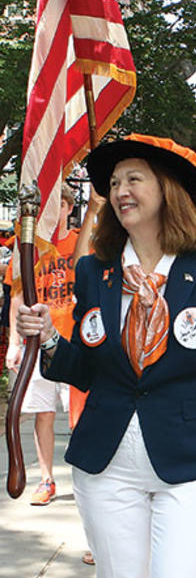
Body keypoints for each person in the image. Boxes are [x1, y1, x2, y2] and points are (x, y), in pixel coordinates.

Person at [15, 133, 196, 578]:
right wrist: (49, 339)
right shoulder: (94, 270)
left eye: (134, 178)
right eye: (115, 182)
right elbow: (85, 366)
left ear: (166, 189)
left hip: (191, 463)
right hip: (107, 466)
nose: (120, 190)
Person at [6, 183, 79, 505]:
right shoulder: (28, 249)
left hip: (75, 342)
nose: (54, 212)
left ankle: (87, 481)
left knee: (82, 416)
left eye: (59, 205)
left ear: (68, 208)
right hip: (37, 342)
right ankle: (47, 479)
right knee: (43, 413)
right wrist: (13, 342)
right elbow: (17, 297)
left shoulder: (83, 242)